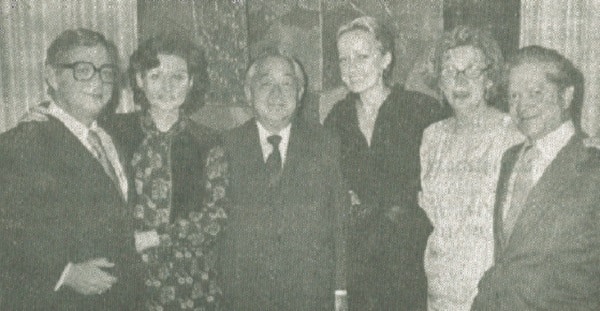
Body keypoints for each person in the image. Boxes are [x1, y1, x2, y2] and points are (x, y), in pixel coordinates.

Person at [0, 28, 143, 310]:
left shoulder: (113, 136)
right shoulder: (21, 143)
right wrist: (64, 272)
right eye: (83, 70)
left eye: (105, 71)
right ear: (52, 76)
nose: (98, 82)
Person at [324, 16, 448, 310]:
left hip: (410, 255)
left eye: (362, 57)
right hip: (358, 259)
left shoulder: (421, 110)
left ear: (385, 59)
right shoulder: (336, 119)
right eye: (344, 60)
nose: (351, 68)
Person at [101, 34, 229, 310]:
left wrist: (154, 238)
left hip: (189, 278)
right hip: (127, 274)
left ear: (192, 82)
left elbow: (216, 217)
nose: (167, 87)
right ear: (139, 80)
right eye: (156, 75)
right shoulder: (112, 132)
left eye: (178, 77)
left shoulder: (208, 142)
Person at [471, 45, 600, 310]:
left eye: (535, 93)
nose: (522, 106)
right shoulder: (511, 158)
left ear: (566, 96)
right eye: (514, 96)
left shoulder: (593, 167)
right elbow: (508, 257)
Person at [220, 51, 349, 311]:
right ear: (248, 92)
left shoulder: (326, 145)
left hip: (311, 295)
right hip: (245, 297)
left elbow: (340, 223)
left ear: (300, 93)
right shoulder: (226, 146)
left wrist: (340, 289)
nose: (277, 94)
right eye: (266, 83)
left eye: (287, 84)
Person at [418, 26, 522, 311]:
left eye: (471, 70)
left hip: (488, 283)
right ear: (440, 82)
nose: (459, 80)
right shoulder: (432, 136)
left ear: (489, 80)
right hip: (440, 281)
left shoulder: (512, 134)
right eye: (450, 71)